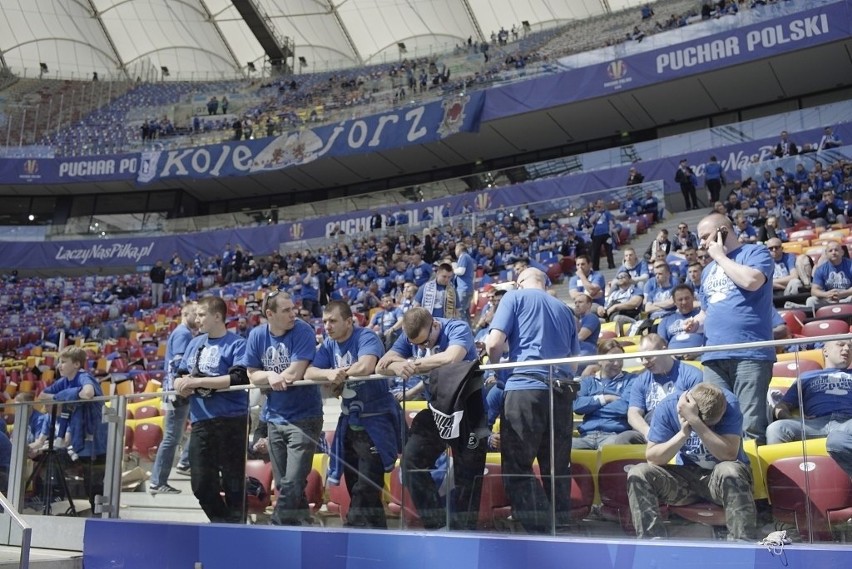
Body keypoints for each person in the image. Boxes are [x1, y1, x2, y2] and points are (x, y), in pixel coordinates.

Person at [485, 267, 580, 533]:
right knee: (557, 468)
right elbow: (573, 366)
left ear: (519, 282)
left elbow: (493, 344)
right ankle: (560, 528)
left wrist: (497, 370)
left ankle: (540, 531)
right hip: (561, 392)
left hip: (525, 387)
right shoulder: (565, 310)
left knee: (517, 467)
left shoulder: (514, 298)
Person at [376, 307, 486, 530]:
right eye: (415, 345)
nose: (421, 348)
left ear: (435, 324)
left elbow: (451, 357)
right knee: (410, 463)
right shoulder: (413, 337)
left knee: (468, 478)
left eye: (425, 343)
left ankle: (463, 534)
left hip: (468, 410)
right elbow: (382, 365)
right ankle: (435, 523)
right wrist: (398, 366)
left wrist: (411, 365)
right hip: (437, 410)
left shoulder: (457, 327)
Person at [307, 301, 401, 528]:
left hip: (375, 422)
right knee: (354, 483)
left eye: (333, 321)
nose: (327, 327)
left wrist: (338, 375)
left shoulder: (366, 336)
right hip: (349, 424)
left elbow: (365, 366)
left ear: (349, 321)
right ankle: (377, 539)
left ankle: (352, 530)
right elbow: (310, 371)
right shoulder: (329, 345)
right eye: (325, 321)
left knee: (366, 486)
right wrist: (330, 374)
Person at [685, 213, 776, 443]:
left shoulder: (755, 252)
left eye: (706, 237)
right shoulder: (707, 271)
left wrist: (720, 257)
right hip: (714, 355)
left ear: (722, 231)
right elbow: (708, 309)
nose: (702, 244)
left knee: (750, 424)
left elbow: (751, 282)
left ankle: (753, 477)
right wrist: (696, 322)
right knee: (715, 421)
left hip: (750, 352)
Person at [627, 383, 756, 541]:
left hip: (721, 481)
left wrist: (697, 423)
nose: (711, 427)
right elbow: (653, 458)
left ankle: (742, 545)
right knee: (639, 473)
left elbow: (728, 455)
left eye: (713, 425)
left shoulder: (729, 403)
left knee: (729, 470)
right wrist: (682, 434)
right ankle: (652, 545)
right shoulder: (668, 406)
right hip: (686, 478)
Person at [244, 291, 323, 526]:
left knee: (293, 481)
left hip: (305, 417)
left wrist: (270, 377)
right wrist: (269, 375)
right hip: (274, 418)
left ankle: (276, 527)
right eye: (286, 310)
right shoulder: (257, 335)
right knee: (283, 484)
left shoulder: (303, 330)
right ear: (270, 314)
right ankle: (302, 527)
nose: (293, 314)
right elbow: (252, 374)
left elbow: (295, 372)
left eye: (293, 308)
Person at [174, 297, 249, 524]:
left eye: (201, 314)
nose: (197, 320)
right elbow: (181, 373)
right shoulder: (195, 343)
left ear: (217, 316)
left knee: (233, 483)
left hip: (232, 420)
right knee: (201, 484)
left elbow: (238, 378)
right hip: (201, 420)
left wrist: (196, 383)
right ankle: (225, 527)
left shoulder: (237, 343)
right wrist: (180, 384)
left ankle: (236, 532)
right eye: (196, 315)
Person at [766, 339, 852, 477]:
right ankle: (784, 483)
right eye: (841, 344)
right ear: (825, 351)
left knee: (838, 438)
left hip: (848, 421)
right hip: (814, 424)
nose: (847, 349)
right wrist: (791, 417)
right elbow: (781, 406)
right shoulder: (806, 377)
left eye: (850, 347)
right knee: (776, 429)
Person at [38, 346, 108, 511]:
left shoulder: (85, 377)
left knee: (94, 481)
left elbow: (88, 393)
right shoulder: (64, 381)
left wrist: (67, 394)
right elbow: (42, 396)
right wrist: (64, 395)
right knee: (56, 464)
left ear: (76, 364)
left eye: (63, 362)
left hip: (95, 441)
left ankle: (100, 513)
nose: (59, 366)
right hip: (79, 438)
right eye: (59, 362)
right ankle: (55, 498)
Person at [148, 301, 197, 494]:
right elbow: (179, 364)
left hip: (177, 392)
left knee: (199, 426)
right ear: (187, 314)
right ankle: (157, 481)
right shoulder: (183, 334)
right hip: (178, 393)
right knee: (171, 438)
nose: (199, 319)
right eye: (196, 314)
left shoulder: (182, 333)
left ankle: (185, 462)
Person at [623, 334, 703, 444]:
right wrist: (649, 433)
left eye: (648, 357)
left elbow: (696, 413)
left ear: (664, 351)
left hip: (681, 429)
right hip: (651, 430)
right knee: (624, 438)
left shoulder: (692, 375)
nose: (644, 362)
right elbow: (633, 414)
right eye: (641, 358)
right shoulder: (641, 380)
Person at [573, 340, 637, 449]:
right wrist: (606, 399)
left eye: (620, 359)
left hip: (615, 435)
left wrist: (590, 406)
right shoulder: (588, 381)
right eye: (611, 359)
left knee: (613, 448)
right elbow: (577, 406)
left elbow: (624, 408)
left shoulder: (631, 380)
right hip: (586, 436)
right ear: (600, 360)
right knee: (561, 449)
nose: (617, 363)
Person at [657, 285, 705, 357]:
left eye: (687, 298)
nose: (684, 302)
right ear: (674, 301)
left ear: (693, 298)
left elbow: (712, 340)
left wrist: (697, 353)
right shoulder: (666, 320)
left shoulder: (703, 317)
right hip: (672, 359)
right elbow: (660, 344)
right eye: (680, 299)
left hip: (699, 357)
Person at [806, 241, 852, 311]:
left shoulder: (850, 265)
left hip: (847, 298)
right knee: (811, 300)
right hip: (828, 299)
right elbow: (814, 290)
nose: (833, 253)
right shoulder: (821, 269)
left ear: (842, 252)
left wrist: (842, 294)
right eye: (830, 251)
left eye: (836, 250)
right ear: (826, 254)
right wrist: (827, 294)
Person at [589, 199, 616, 271]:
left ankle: (611, 264)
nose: (601, 205)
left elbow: (610, 222)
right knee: (596, 251)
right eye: (599, 204)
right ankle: (595, 267)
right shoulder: (595, 213)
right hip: (597, 234)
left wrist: (610, 233)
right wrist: (596, 212)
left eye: (602, 203)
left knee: (609, 250)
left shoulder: (607, 213)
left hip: (606, 233)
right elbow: (590, 221)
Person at [453, 243, 476, 323]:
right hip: (467, 288)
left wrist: (453, 269)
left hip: (463, 289)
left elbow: (461, 271)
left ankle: (464, 332)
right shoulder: (467, 257)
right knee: (466, 313)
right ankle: (470, 333)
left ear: (459, 249)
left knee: (460, 312)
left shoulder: (464, 256)